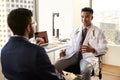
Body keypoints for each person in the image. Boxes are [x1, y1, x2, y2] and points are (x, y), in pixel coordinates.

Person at [1, 8, 60, 80]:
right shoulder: (37, 51)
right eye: (33, 23)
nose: (34, 26)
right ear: (28, 27)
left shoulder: (4, 50)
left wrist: (33, 46)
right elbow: (53, 78)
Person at [54, 7, 108, 80]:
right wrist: (65, 51)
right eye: (82, 17)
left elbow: (105, 48)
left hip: (87, 58)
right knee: (55, 67)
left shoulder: (98, 31)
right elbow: (71, 45)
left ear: (92, 17)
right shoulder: (76, 30)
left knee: (85, 71)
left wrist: (93, 50)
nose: (84, 19)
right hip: (74, 56)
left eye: (87, 17)